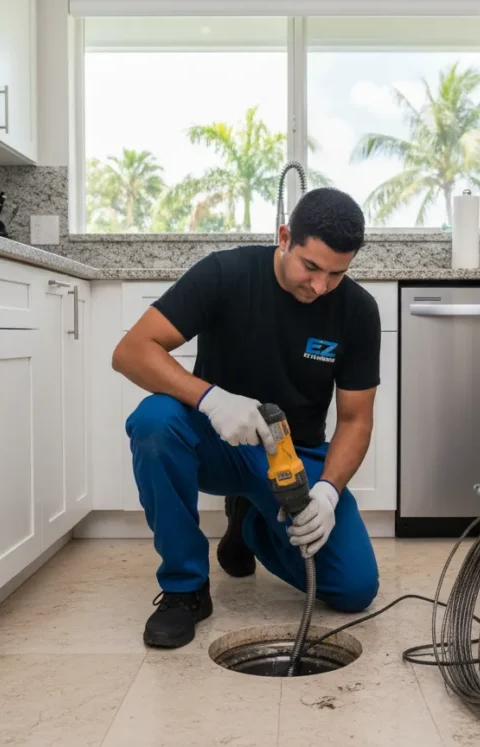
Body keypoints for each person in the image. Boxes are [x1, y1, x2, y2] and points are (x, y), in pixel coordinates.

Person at [112, 187, 381, 649]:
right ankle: (185, 589)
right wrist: (212, 399)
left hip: (291, 459)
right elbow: (131, 352)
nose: (320, 287)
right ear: (284, 237)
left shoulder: (357, 311)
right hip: (216, 441)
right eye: (310, 267)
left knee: (354, 589)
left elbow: (356, 419)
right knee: (154, 421)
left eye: (337, 274)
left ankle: (251, 524)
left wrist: (328, 492)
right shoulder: (226, 273)